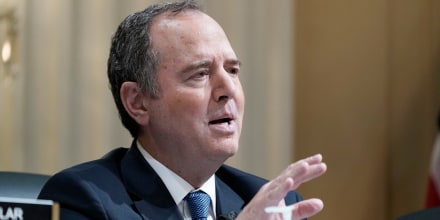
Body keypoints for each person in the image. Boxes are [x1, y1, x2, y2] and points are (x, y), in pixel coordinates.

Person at [38, 1, 327, 219]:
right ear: (137, 102)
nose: (228, 90)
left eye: (233, 70)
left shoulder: (272, 204)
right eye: (200, 74)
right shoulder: (83, 199)